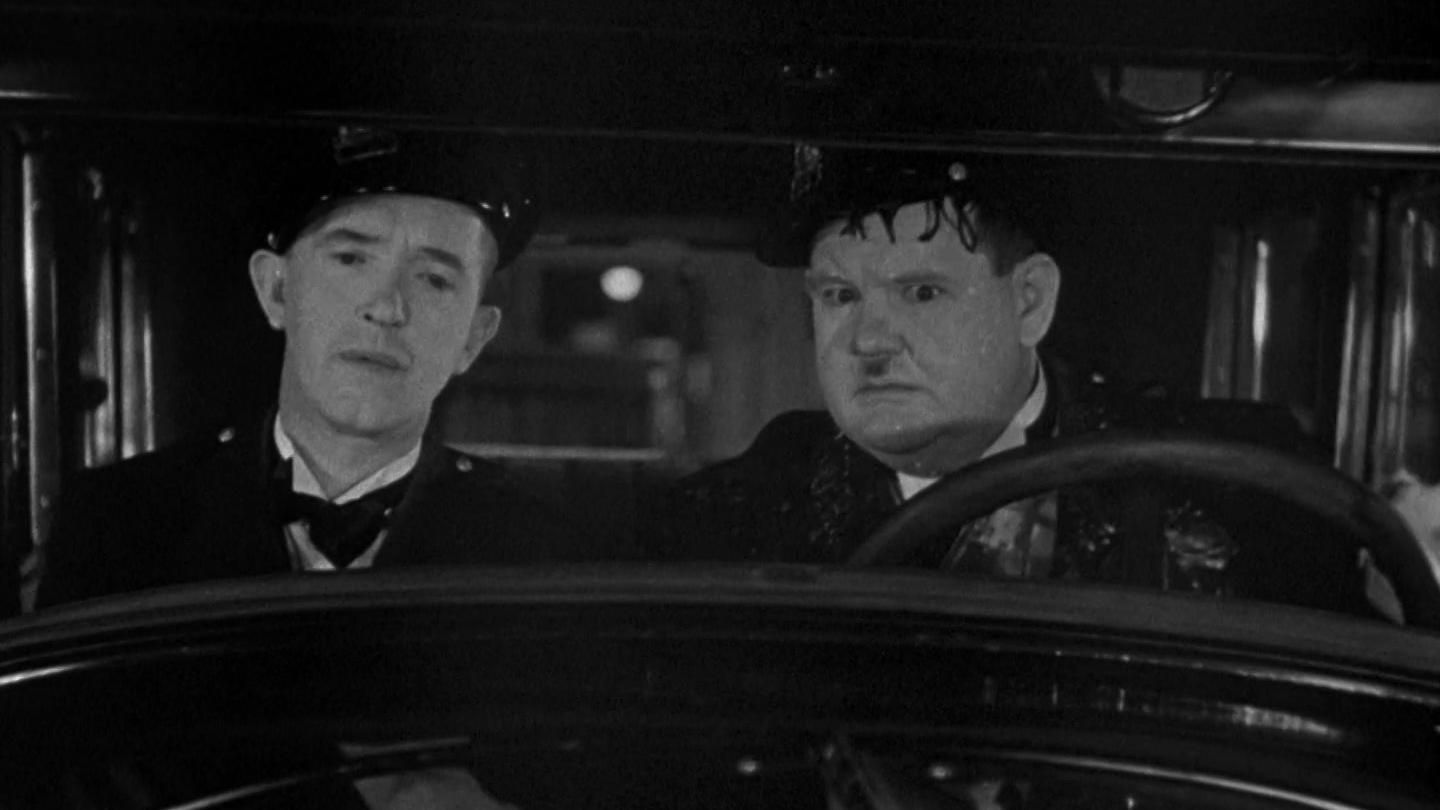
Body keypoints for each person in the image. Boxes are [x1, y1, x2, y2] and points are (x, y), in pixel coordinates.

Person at [645, 148, 1376, 617]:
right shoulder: (733, 522)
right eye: (840, 296)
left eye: (921, 293)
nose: (866, 340)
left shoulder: (1237, 497)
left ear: (1030, 302)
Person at [37, 128, 575, 609]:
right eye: (351, 259)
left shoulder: (542, 552)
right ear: (276, 290)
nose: (388, 308)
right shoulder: (118, 523)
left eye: (435, 280)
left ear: (474, 339)